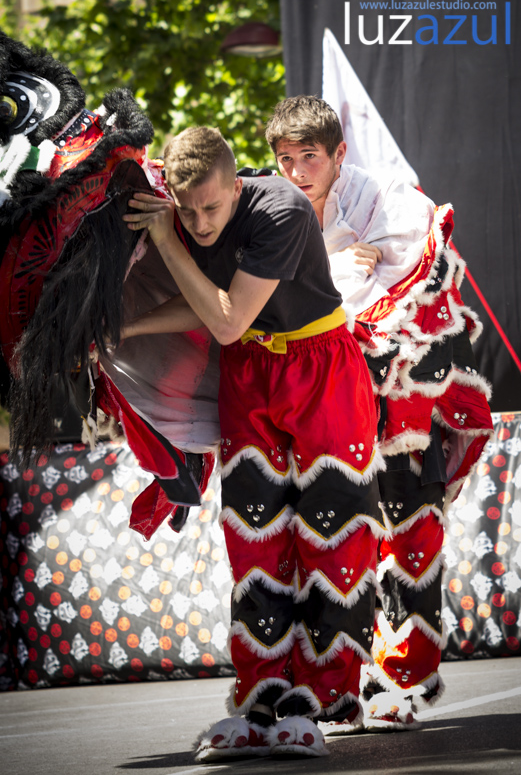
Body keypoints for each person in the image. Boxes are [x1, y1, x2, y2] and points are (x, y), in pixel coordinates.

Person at [122, 126, 387, 759]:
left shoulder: (281, 208)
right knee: (254, 539)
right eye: (186, 211)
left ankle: (318, 705)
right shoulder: (186, 218)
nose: (199, 223)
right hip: (248, 371)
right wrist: (121, 329)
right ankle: (261, 699)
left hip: (321, 369)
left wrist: (167, 239)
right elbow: (208, 303)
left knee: (330, 539)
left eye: (211, 207)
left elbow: (226, 316)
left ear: (236, 186)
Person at [265, 96, 493, 732]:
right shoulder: (274, 215)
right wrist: (333, 273)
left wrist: (331, 291)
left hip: (404, 400)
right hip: (329, 403)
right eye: (284, 159)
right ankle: (336, 683)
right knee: (334, 538)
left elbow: (405, 289)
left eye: (309, 156)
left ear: (340, 153)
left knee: (411, 531)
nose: (297, 171)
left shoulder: (388, 200)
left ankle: (404, 681)